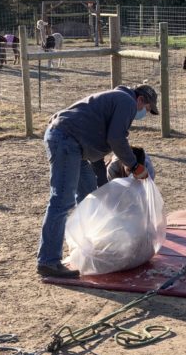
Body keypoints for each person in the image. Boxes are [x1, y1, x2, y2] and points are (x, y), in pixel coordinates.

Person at [37, 84, 159, 278]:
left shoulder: (117, 100)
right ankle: (48, 261)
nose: (143, 113)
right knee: (62, 201)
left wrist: (105, 189)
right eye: (146, 109)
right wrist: (134, 166)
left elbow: (101, 151)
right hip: (67, 140)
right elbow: (116, 139)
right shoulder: (126, 102)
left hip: (77, 145)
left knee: (88, 197)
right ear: (141, 100)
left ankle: (85, 248)